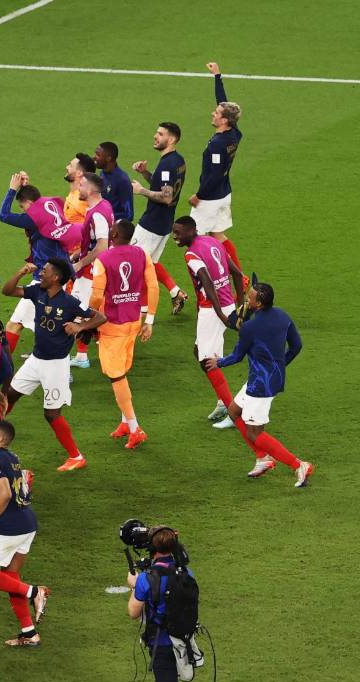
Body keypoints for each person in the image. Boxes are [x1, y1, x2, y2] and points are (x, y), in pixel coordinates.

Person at [203, 283, 314, 486]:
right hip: (268, 379)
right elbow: (296, 346)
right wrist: (279, 365)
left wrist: (218, 362)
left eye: (250, 297)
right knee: (234, 411)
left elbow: (237, 356)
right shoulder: (282, 316)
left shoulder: (250, 328)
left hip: (261, 386)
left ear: (259, 303)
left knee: (255, 433)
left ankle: (299, 465)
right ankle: (263, 458)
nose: (247, 299)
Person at [2, 259, 106, 471]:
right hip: (35, 359)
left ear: (56, 278)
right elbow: (8, 291)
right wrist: (21, 272)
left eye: (45, 271)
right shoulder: (37, 292)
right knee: (9, 395)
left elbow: (101, 317)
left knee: (51, 414)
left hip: (56, 366)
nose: (41, 273)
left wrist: (80, 326)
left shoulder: (70, 302)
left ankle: (76, 457)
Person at [128, 528, 205, 682]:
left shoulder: (146, 578)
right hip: (183, 641)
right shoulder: (186, 572)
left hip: (161, 643)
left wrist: (134, 586)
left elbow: (133, 612)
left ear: (153, 548)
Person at [0, 420, 50, 646]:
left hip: (9, 527)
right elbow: (15, 487)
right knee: (11, 577)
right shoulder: (11, 458)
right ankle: (29, 633)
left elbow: (4, 494)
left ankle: (34, 592)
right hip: (27, 524)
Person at [171, 217, 252, 434]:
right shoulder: (212, 241)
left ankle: (232, 412)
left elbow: (206, 282)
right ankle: (222, 402)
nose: (174, 237)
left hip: (212, 310)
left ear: (191, 231)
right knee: (198, 350)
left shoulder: (191, 254)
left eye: (178, 233)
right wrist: (240, 305)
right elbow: (237, 273)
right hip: (225, 305)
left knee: (207, 360)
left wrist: (221, 315)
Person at [88, 220, 158, 449]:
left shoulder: (103, 259)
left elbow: (97, 296)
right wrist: (150, 320)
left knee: (116, 376)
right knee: (123, 372)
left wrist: (89, 318)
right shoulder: (142, 254)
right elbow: (153, 286)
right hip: (134, 321)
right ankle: (125, 423)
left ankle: (135, 428)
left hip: (112, 326)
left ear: (115, 233)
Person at [0, 172, 80, 353]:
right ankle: (57, 360)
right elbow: (35, 202)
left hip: (46, 279)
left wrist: (12, 190)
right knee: (48, 326)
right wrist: (26, 186)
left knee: (15, 324)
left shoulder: (33, 218)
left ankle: (4, 367)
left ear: (29, 203)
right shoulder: (50, 204)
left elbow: (2, 215)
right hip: (59, 273)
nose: (23, 211)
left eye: (22, 206)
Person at [130, 122, 189, 313]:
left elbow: (166, 196)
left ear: (171, 139)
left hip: (151, 224)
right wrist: (145, 173)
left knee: (136, 266)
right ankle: (175, 293)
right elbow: (164, 185)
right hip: (165, 223)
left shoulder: (167, 165)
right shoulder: (178, 161)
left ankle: (142, 310)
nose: (155, 136)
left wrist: (141, 190)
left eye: (160, 134)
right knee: (150, 264)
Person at [189, 62, 244, 270]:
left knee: (194, 239)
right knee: (218, 235)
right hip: (224, 193)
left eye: (217, 113)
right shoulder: (234, 133)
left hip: (210, 198)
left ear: (224, 121)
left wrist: (198, 195)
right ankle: (239, 275)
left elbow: (214, 175)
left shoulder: (217, 145)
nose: (213, 113)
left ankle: (209, 275)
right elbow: (223, 102)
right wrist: (217, 76)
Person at [70, 173, 116, 368]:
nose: (78, 188)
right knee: (87, 312)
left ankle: (63, 365)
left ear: (89, 190)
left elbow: (102, 246)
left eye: (81, 185)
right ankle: (82, 356)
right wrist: (78, 253)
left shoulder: (97, 214)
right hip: (96, 269)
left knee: (73, 315)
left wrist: (80, 263)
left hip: (91, 273)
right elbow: (95, 241)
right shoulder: (104, 205)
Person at [95, 141, 134, 222]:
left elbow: (129, 214)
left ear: (108, 158)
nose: (94, 157)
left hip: (112, 225)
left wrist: (107, 217)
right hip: (101, 222)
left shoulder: (122, 180)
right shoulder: (102, 173)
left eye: (98, 155)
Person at [63, 152, 96, 223]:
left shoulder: (83, 199)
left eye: (70, 166)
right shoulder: (74, 192)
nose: (67, 167)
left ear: (79, 173)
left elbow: (95, 222)